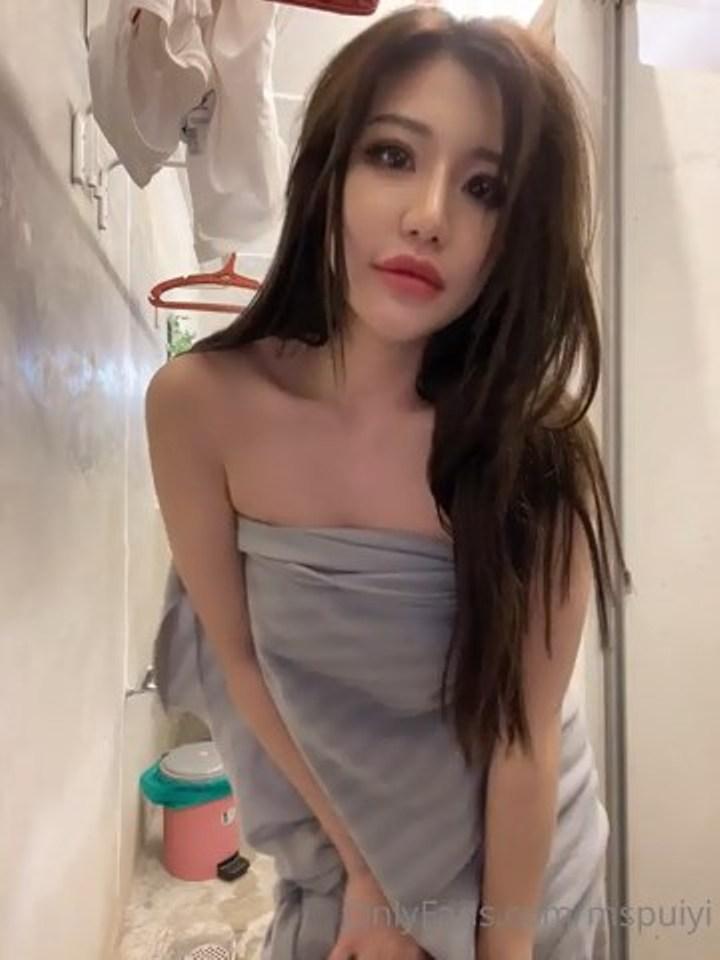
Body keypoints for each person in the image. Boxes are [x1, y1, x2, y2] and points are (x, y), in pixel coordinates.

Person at [145, 6, 630, 960]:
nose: (429, 215)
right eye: (393, 156)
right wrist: (367, 877)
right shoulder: (200, 408)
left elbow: (525, 740)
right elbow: (238, 664)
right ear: (329, 172)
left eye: (484, 187)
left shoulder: (536, 455)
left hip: (527, 875)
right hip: (344, 863)